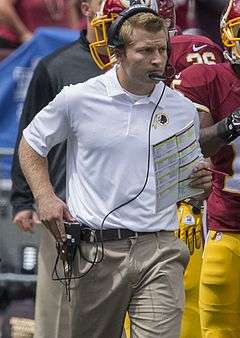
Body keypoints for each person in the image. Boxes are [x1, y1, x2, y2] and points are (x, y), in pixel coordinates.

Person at [18, 6, 212, 337]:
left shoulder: (182, 109)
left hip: (161, 247)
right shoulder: (78, 99)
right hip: (96, 250)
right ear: (117, 54)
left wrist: (200, 184)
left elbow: (188, 187)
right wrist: (44, 196)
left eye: (162, 49)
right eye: (145, 50)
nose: (157, 59)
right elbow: (31, 144)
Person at [90, 1, 223, 337]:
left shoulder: (190, 59)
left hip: (171, 198)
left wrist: (191, 198)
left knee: (179, 295)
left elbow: (191, 136)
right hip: (142, 200)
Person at [10, 0, 104, 337]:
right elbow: (30, 136)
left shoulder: (138, 69)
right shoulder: (57, 65)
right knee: (57, 319)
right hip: (66, 213)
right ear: (86, 9)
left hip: (126, 218)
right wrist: (24, 199)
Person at [172, 0, 240, 336]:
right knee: (217, 328)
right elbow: (195, 143)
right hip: (228, 226)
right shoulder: (209, 78)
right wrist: (235, 123)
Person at [0, 0, 80, 60]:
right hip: (18, 48)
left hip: (53, 47)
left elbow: (70, 9)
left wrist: (73, 37)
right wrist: (24, 34)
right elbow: (3, 8)